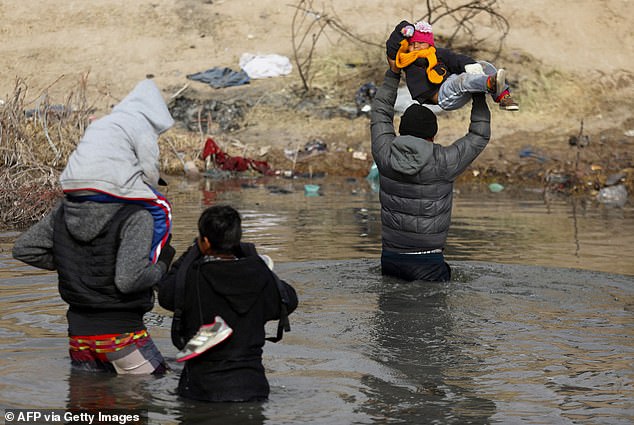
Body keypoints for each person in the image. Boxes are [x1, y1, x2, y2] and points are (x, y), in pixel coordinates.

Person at [12, 187, 175, 375]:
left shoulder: (65, 211)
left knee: (87, 402)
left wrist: (72, 261)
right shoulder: (136, 216)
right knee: (155, 392)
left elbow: (24, 249)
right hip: (121, 336)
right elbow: (129, 281)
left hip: (78, 339)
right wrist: (163, 265)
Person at [370, 47, 491, 282]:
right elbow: (479, 135)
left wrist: (393, 73)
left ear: (402, 131)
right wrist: (477, 92)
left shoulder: (384, 153)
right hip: (428, 261)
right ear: (432, 135)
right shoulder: (444, 162)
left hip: (390, 259)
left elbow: (380, 113)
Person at [157, 205, 298, 402]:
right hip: (253, 389)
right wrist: (252, 258)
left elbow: (165, 294)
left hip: (203, 392)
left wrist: (189, 255)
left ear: (204, 241)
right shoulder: (260, 277)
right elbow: (289, 300)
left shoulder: (192, 277)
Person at [59, 78, 175, 264]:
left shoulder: (104, 122)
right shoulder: (142, 125)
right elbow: (149, 172)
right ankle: (149, 264)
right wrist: (149, 188)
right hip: (103, 185)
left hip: (70, 183)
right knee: (163, 209)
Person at [387, 20, 519, 111]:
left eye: (421, 42)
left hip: (457, 86)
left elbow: (455, 59)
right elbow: (392, 49)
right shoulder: (406, 61)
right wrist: (404, 28)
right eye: (412, 44)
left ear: (429, 44)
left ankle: (503, 97)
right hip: (444, 96)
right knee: (461, 80)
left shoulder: (437, 53)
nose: (416, 46)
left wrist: (470, 65)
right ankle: (490, 84)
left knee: (485, 65)